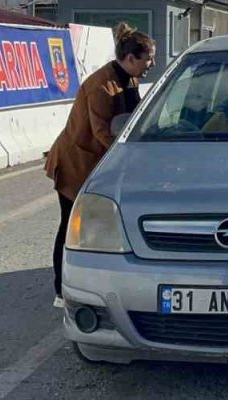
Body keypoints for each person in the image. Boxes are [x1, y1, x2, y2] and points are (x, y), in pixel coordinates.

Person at [45, 23, 155, 307]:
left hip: (95, 165)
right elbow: (102, 133)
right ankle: (62, 289)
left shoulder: (126, 79)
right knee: (70, 225)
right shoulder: (102, 86)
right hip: (75, 164)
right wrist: (130, 159)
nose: (151, 64)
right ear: (131, 58)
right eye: (148, 58)